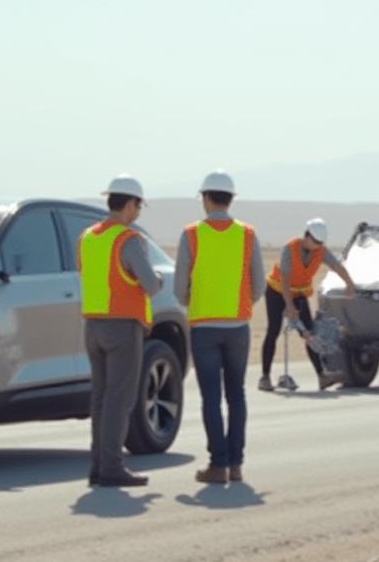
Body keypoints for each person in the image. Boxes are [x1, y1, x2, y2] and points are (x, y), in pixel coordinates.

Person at [173, 170, 265, 484]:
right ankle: (236, 464)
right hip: (238, 326)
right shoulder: (247, 234)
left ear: (206, 198)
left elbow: (178, 288)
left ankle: (218, 464)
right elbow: (258, 285)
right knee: (236, 394)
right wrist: (241, 305)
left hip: (204, 327)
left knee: (211, 397)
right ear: (230, 199)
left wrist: (194, 302)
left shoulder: (191, 234)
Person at [78, 174, 163, 487]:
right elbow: (150, 284)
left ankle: (98, 466)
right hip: (122, 326)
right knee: (119, 399)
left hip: (93, 325)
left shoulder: (88, 237)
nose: (138, 212)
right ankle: (112, 468)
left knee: (101, 398)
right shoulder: (128, 239)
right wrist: (157, 279)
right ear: (130, 204)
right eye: (138, 206)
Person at [261, 218, 358, 392]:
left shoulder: (320, 251)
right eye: (315, 242)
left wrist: (349, 283)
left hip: (299, 293)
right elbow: (284, 278)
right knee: (273, 330)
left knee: (309, 334)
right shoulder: (290, 248)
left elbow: (337, 266)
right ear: (306, 236)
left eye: (320, 243)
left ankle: (322, 376)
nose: (317, 246)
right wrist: (289, 306)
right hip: (277, 291)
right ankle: (265, 377)